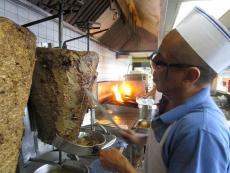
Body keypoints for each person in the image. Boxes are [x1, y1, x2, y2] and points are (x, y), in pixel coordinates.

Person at [99, 7, 230, 173]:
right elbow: (170, 141)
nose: (153, 68)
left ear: (190, 76)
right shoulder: (173, 101)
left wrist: (123, 167)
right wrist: (139, 138)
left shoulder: (200, 133)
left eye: (160, 62)